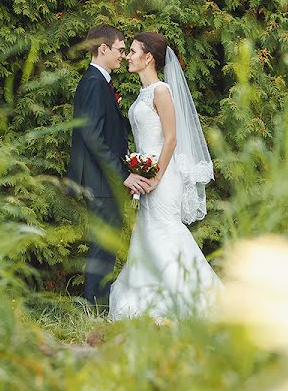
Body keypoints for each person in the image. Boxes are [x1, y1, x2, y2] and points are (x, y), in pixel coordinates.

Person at [108, 32, 222, 320]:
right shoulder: (144, 93)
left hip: (163, 176)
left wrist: (156, 176)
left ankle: (192, 301)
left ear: (148, 58)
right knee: (148, 233)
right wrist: (137, 168)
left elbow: (170, 139)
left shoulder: (162, 91)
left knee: (166, 231)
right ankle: (152, 301)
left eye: (133, 51)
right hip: (147, 174)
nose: (128, 56)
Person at [66, 24, 152, 312]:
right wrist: (124, 174)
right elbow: (92, 136)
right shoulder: (93, 83)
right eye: (119, 49)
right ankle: (93, 311)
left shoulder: (99, 82)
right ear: (103, 49)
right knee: (102, 248)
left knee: (106, 246)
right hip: (101, 181)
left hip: (103, 179)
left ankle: (97, 308)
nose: (123, 55)